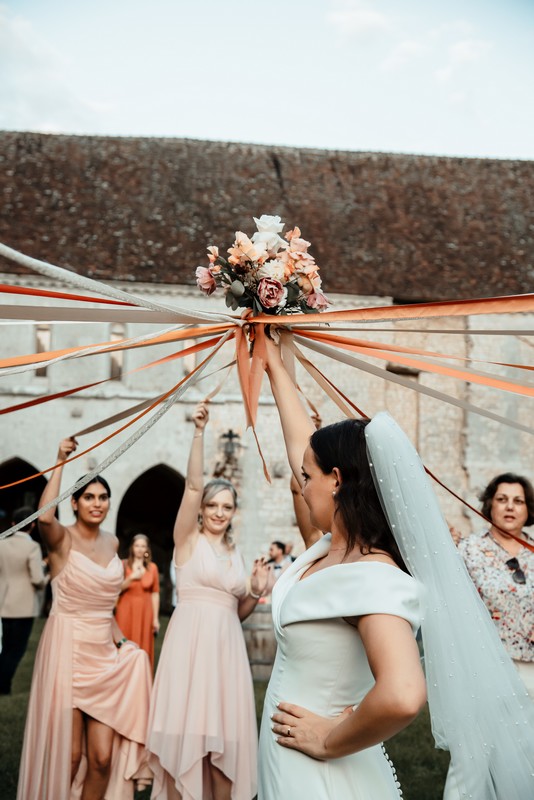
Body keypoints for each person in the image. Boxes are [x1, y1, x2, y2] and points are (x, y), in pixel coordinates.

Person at [260, 334, 534, 800]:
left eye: (308, 477)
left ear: (337, 481)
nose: (301, 486)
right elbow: (300, 447)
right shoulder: (325, 549)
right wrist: (272, 365)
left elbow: (404, 693)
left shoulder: (374, 576)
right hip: (287, 759)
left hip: (319, 769)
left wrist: (327, 740)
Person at [146, 401, 270, 800]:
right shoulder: (187, 542)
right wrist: (200, 431)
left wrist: (254, 588)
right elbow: (194, 485)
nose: (219, 512)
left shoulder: (235, 552)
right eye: (213, 506)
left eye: (227, 507)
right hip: (190, 647)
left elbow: (238, 612)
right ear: (201, 510)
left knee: (225, 747)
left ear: (234, 513)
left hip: (227, 652)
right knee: (188, 738)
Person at [17, 437, 152, 800]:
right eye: (88, 497)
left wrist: (123, 641)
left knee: (103, 758)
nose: (97, 503)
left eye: (102, 497)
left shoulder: (112, 544)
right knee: (69, 756)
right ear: (74, 503)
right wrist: (59, 459)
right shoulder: (61, 540)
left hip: (104, 655)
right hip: (67, 649)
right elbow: (45, 517)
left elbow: (105, 605)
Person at [457, 473, 534, 695]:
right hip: (489, 665)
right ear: (490, 504)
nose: (510, 507)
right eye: (502, 499)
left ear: (528, 508)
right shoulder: (468, 550)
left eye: (518, 501)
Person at [0, 506, 48, 694]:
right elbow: (37, 579)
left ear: (13, 523)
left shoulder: (2, 543)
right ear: (33, 526)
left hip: (3, 602)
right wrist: (48, 575)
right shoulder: (32, 547)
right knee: (16, 649)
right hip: (22, 606)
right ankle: (3, 686)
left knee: (5, 647)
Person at [115, 533, 160, 670]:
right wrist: (131, 578)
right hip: (126, 608)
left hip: (145, 611)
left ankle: (141, 676)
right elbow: (117, 588)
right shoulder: (123, 565)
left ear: (147, 549)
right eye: (137, 546)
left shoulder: (152, 568)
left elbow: (155, 593)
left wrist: (156, 618)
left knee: (143, 643)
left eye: (143, 546)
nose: (140, 549)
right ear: (132, 548)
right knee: (124, 642)